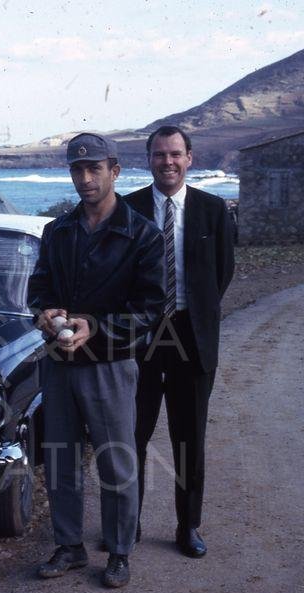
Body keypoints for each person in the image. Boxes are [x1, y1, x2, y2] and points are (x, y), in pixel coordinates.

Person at [26, 133, 164, 588]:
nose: (85, 178)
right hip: (60, 365)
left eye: (94, 169)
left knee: (116, 462)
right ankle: (69, 546)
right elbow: (39, 289)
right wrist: (45, 314)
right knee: (61, 459)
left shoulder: (142, 234)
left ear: (115, 171)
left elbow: (151, 309)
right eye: (77, 170)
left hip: (110, 365)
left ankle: (119, 551)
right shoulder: (57, 230)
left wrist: (95, 327)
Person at [123, 126, 235, 558]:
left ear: (190, 158)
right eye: (158, 155)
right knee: (131, 435)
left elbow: (221, 273)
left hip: (191, 336)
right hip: (141, 339)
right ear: (148, 159)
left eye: (175, 154)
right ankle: (126, 525)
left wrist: (191, 314)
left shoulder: (212, 210)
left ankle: (188, 527)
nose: (167, 162)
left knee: (189, 440)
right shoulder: (128, 209)